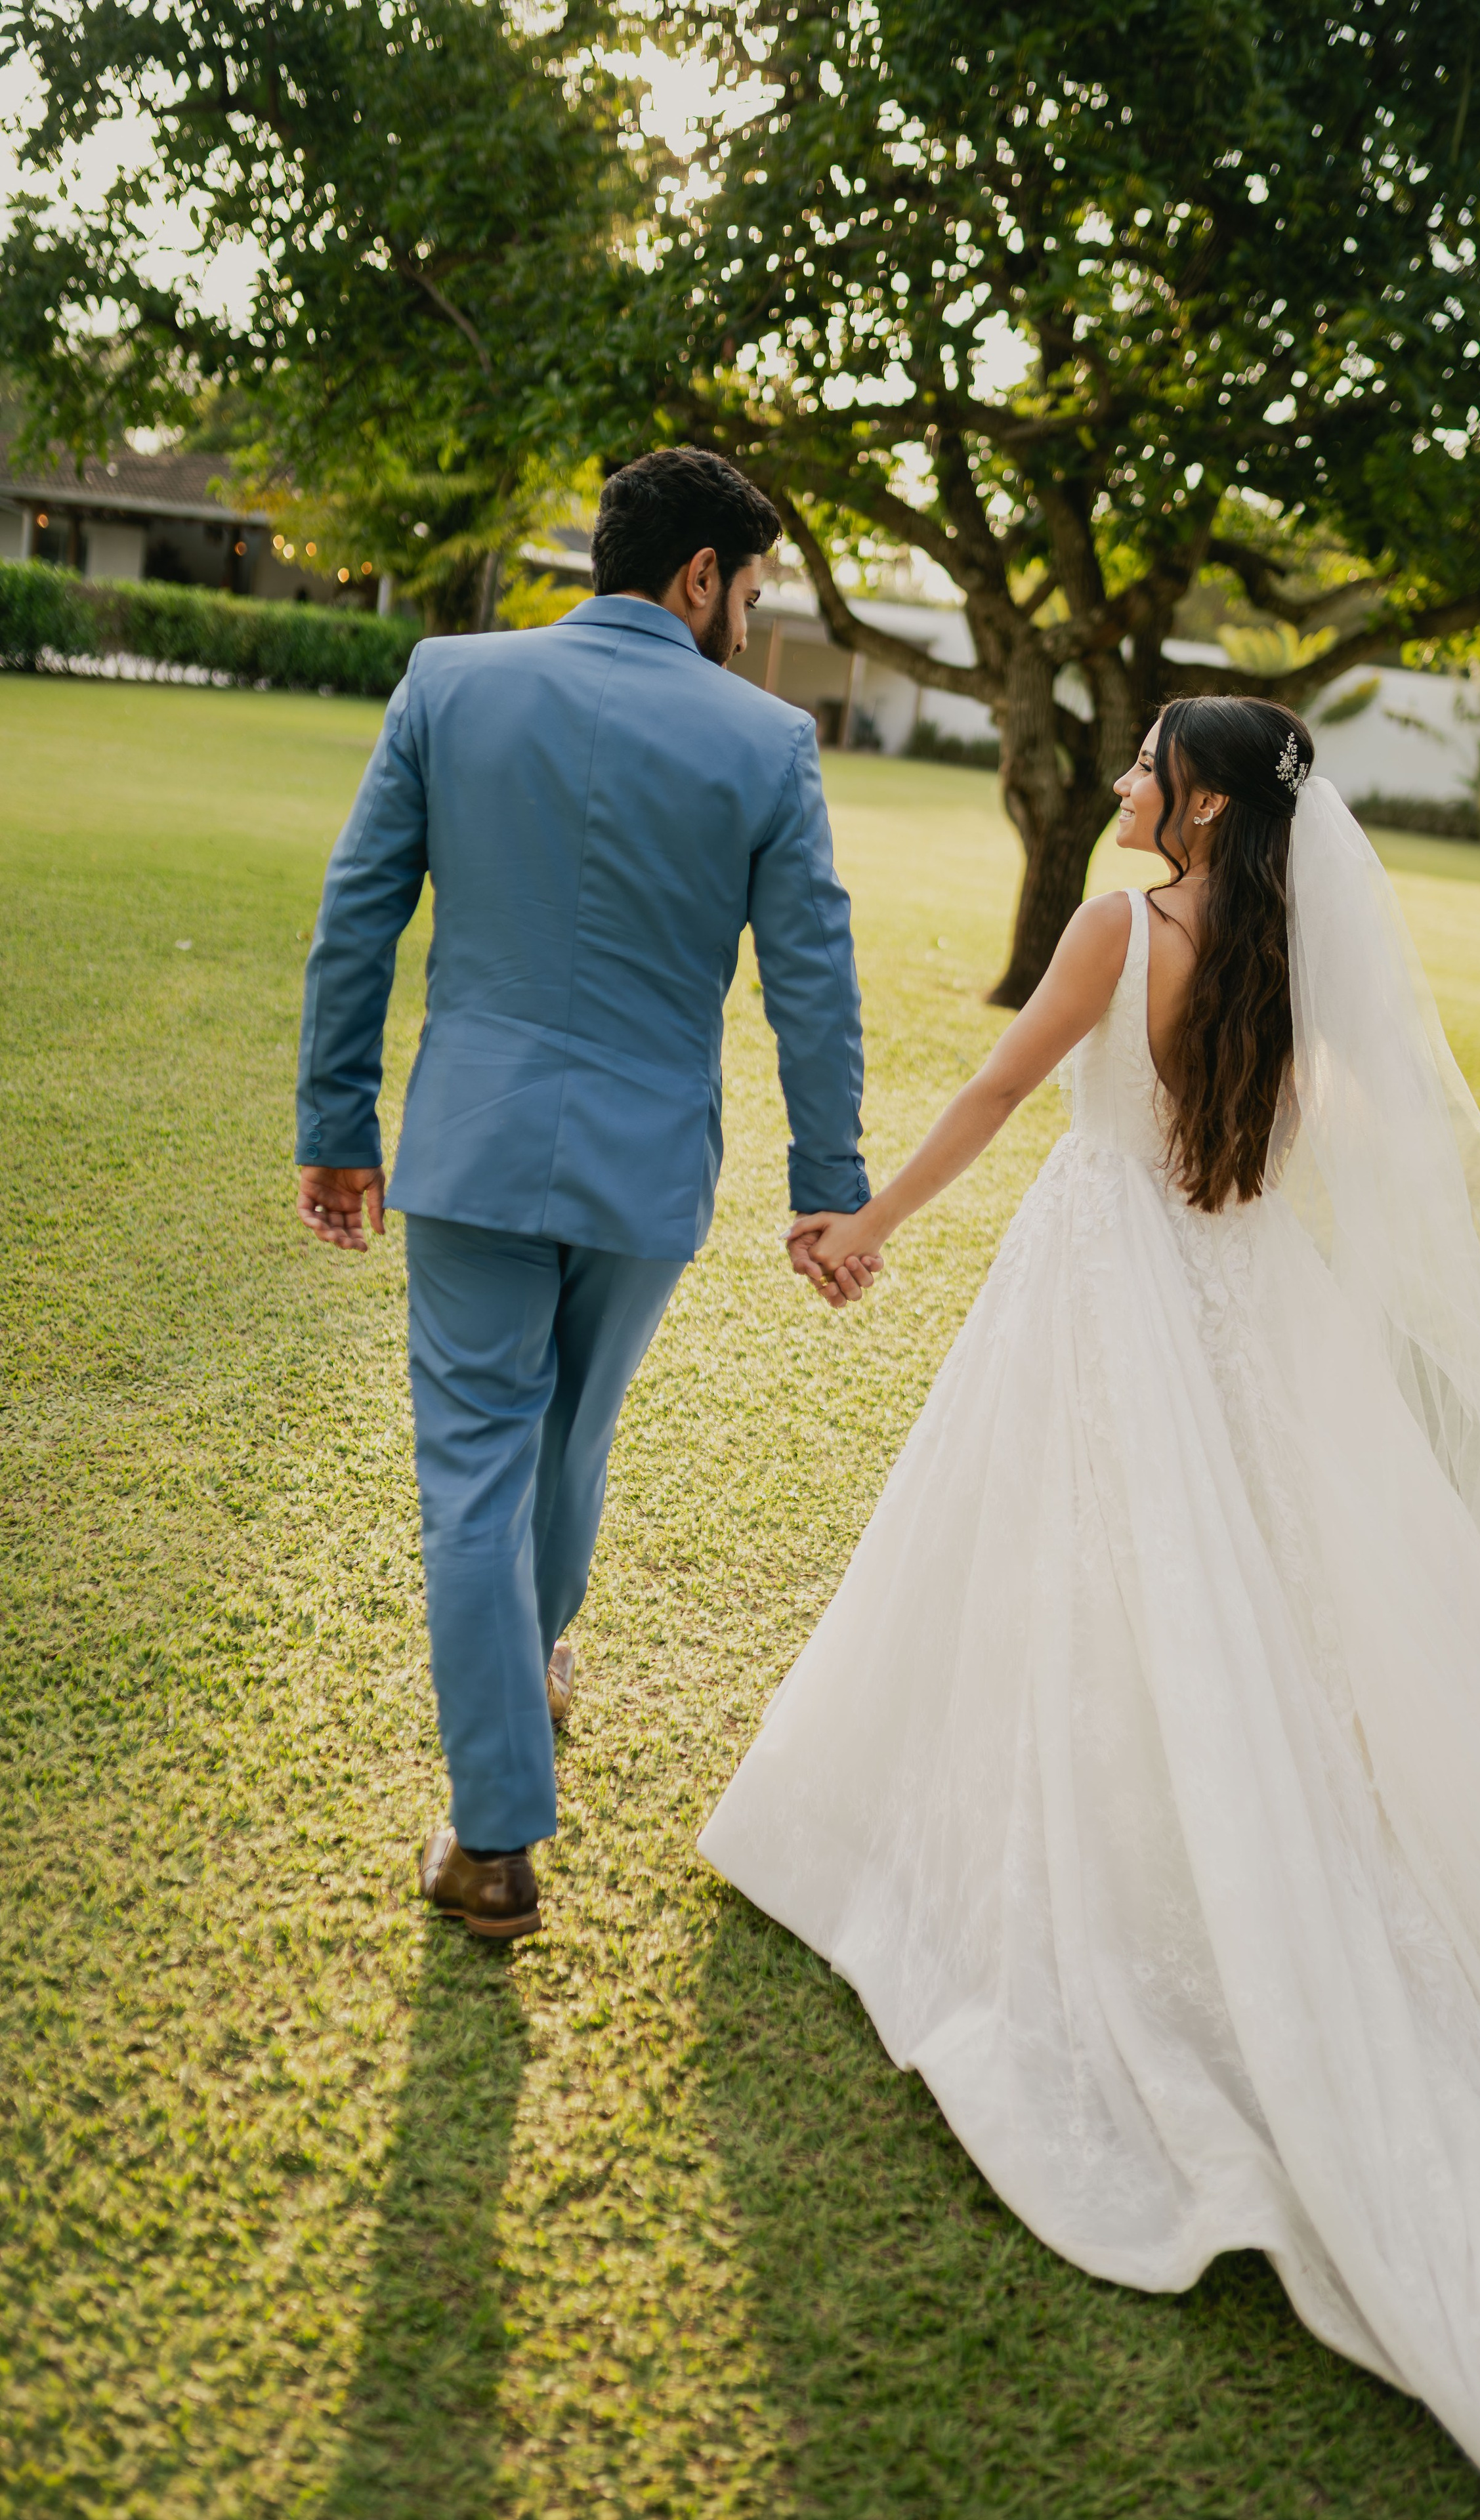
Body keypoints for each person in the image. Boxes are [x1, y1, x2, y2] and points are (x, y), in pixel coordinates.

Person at [702, 697, 1480, 2520]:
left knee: (1088, 1560)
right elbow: (1318, 1142)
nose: (1125, 782)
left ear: (1206, 803)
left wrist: (868, 1223)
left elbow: (1000, 1094)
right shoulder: (1293, 958)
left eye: (1149, 765)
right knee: (1240, 1587)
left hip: (1104, 1280)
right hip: (1240, 1292)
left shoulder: (1119, 925)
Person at [295, 446, 874, 1941]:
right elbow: (811, 980)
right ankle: (530, 1688)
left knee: (475, 1464)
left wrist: (336, 1125)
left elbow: (358, 914)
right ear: (698, 576)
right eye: (748, 596)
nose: (746, 623)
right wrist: (828, 1182)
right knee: (569, 1434)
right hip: (646, 1166)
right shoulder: (767, 743)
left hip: (474, 1148)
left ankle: (493, 1843)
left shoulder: (450, 682)